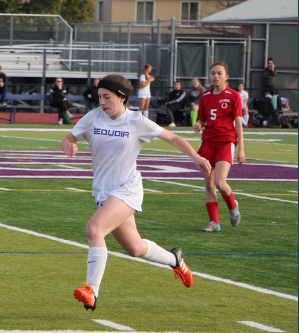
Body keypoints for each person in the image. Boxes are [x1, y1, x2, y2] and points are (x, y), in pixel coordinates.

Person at [62, 74, 210, 311]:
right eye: (99, 97)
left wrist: (196, 157)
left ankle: (91, 291)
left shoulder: (136, 121)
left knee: (94, 228)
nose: (102, 102)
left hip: (127, 189)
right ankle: (175, 260)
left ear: (122, 97)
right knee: (135, 248)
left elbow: (171, 137)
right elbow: (68, 137)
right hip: (104, 194)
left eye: (107, 97)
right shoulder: (93, 117)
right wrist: (69, 143)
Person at [195, 62, 245, 233]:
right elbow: (202, 118)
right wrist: (199, 123)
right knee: (209, 183)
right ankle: (214, 223)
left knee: (219, 182)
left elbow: (238, 122)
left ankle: (232, 205)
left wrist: (241, 148)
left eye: (219, 73)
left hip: (226, 141)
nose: (215, 76)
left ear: (226, 76)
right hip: (208, 141)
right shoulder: (205, 96)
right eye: (213, 73)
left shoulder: (234, 95)